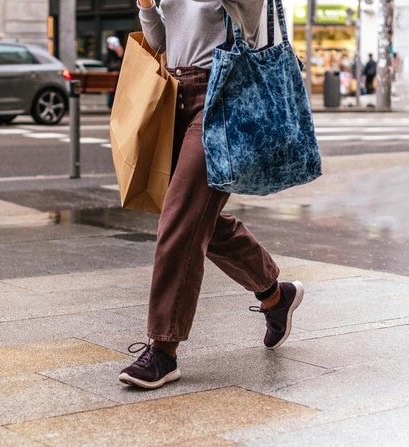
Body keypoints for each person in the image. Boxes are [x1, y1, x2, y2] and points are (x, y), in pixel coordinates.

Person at [118, 0, 305, 390]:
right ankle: (275, 295)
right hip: (173, 95)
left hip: (221, 95)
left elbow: (253, 29)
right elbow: (163, 42)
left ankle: (163, 349)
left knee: (181, 219)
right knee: (197, 217)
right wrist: (148, 8)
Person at [103, 36, 124, 109]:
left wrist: (120, 54)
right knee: (113, 90)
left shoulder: (114, 53)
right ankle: (111, 104)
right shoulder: (110, 53)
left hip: (116, 76)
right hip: (113, 77)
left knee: (114, 90)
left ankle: (112, 104)